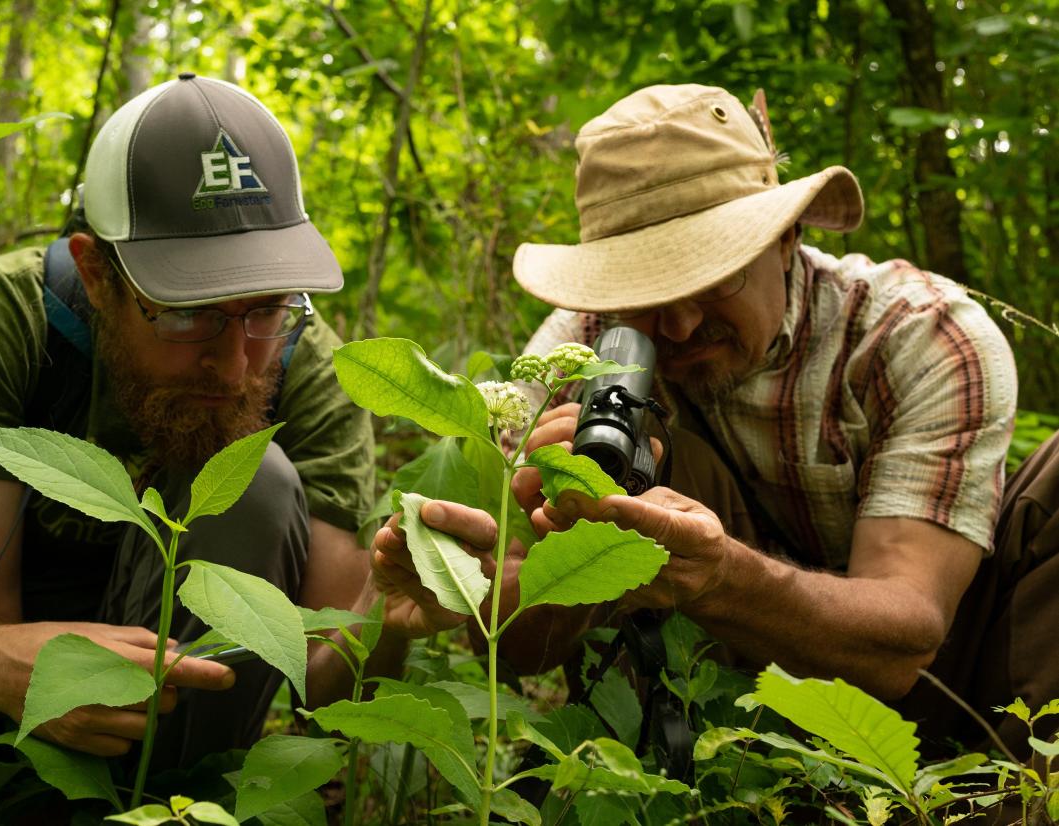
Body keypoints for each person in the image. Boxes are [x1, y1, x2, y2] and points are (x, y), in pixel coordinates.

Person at [372, 84, 1058, 760]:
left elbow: (905, 640)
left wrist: (722, 576)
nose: (679, 322)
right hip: (714, 710)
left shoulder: (916, 337)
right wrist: (489, 578)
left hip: (962, 676)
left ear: (786, 236)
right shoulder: (575, 353)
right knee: (618, 451)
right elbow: (521, 649)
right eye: (643, 292)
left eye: (714, 276)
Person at [0, 73, 406, 768]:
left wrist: (390, 611)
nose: (235, 364)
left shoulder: (313, 369)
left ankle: (169, 799)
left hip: (173, 696)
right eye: (188, 312)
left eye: (267, 308)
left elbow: (322, 677)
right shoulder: (6, 319)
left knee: (256, 479)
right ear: (96, 273)